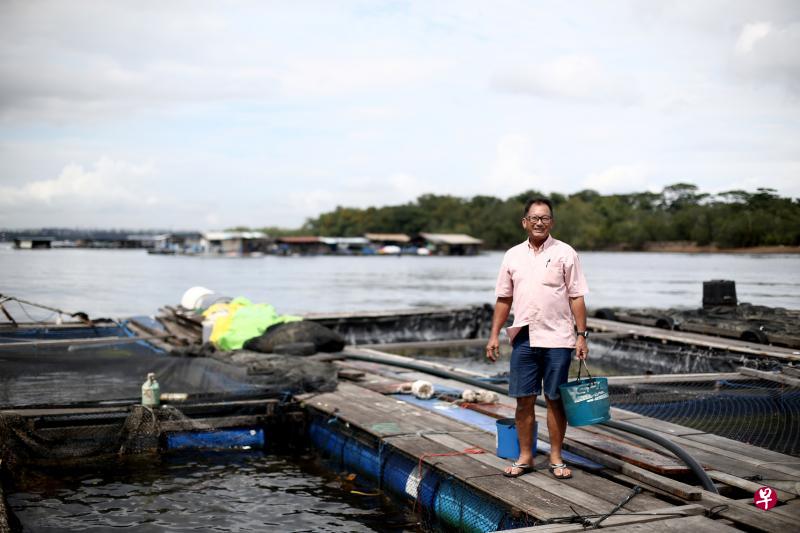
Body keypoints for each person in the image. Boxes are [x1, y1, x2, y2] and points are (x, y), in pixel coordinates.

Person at [486, 197, 589, 479]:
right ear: (525, 222)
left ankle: (556, 457)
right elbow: (503, 298)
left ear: (551, 222)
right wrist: (494, 334)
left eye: (544, 218)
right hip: (524, 337)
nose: (539, 223)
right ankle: (526, 456)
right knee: (524, 400)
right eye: (534, 218)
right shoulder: (512, 255)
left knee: (555, 399)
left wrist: (581, 336)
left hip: (558, 338)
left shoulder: (566, 253)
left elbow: (576, 296)